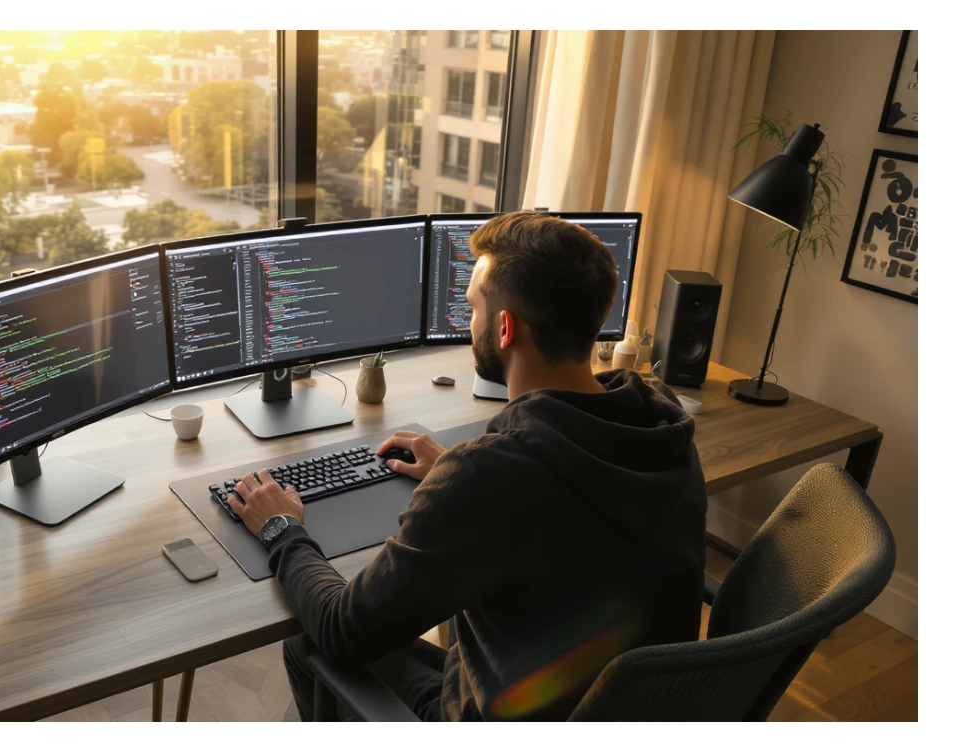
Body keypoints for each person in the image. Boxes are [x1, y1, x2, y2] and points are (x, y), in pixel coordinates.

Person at [225, 212, 707, 721]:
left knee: (310, 645)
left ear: (505, 327)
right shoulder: (662, 422)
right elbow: (547, 496)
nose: (467, 319)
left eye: (473, 305)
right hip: (624, 711)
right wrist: (457, 468)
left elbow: (343, 631)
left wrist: (282, 530)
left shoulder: (489, 479)